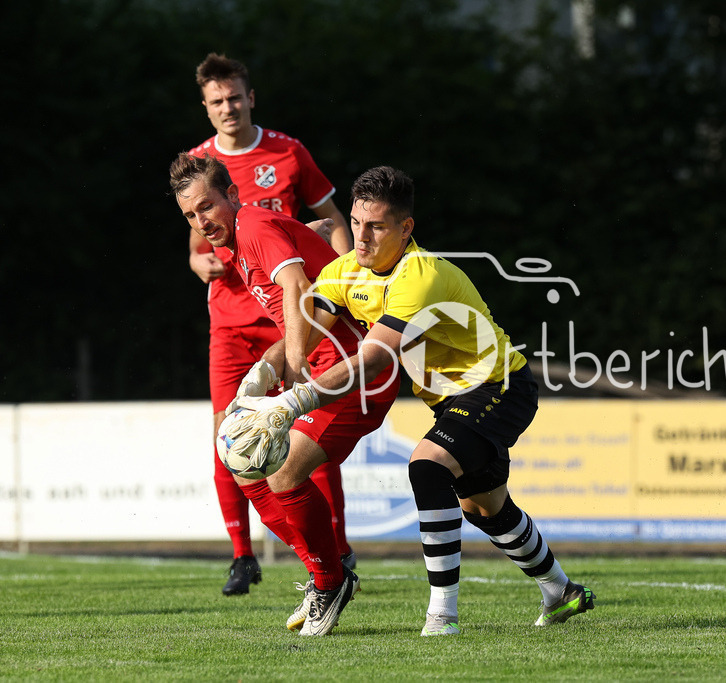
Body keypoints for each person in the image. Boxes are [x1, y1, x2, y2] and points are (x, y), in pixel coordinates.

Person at [228, 166, 596, 637]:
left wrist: (296, 400)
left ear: (406, 229)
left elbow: (373, 359)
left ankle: (442, 617)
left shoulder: (419, 276)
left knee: (426, 465)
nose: (361, 237)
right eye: (357, 222)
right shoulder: (344, 271)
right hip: (450, 402)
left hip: (500, 386)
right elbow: (306, 325)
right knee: (485, 509)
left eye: (377, 226)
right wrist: (264, 370)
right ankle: (562, 590)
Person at [170, 152, 399, 636]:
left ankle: (329, 578)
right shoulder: (244, 238)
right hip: (324, 366)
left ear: (233, 195)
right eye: (190, 215)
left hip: (356, 375)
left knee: (284, 475)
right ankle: (325, 573)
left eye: (207, 207)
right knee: (243, 460)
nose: (201, 221)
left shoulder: (252, 229)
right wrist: (266, 368)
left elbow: (296, 287)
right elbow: (310, 293)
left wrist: (292, 371)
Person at [186, 53, 356, 595]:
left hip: (290, 315)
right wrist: (201, 263)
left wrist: (350, 280)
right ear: (206, 108)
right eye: (216, 101)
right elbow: (196, 251)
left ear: (250, 97)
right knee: (230, 437)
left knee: (305, 435)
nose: (227, 107)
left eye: (234, 96)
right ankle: (244, 557)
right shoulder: (197, 167)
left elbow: (333, 220)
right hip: (233, 321)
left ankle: (336, 554)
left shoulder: (285, 151)